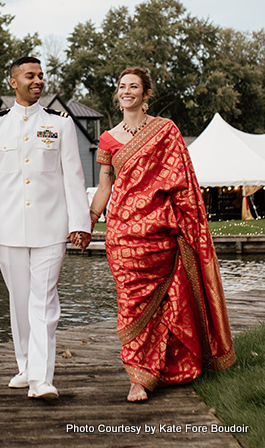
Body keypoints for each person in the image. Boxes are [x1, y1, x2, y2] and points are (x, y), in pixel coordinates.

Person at [89, 67, 236, 402]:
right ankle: (138, 374)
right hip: (123, 236)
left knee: (170, 303)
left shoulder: (165, 131)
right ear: (117, 93)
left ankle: (153, 371)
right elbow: (104, 186)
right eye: (122, 86)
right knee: (131, 305)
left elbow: (182, 181)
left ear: (146, 93)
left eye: (134, 87)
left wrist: (186, 222)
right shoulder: (109, 138)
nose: (127, 91)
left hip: (161, 231)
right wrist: (90, 219)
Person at [0, 56, 91, 400]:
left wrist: (79, 223)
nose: (38, 80)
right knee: (20, 301)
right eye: (31, 75)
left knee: (43, 302)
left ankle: (42, 378)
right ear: (14, 82)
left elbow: (74, 176)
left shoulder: (60, 124)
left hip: (51, 229)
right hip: (9, 230)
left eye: (41, 75)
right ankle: (25, 366)